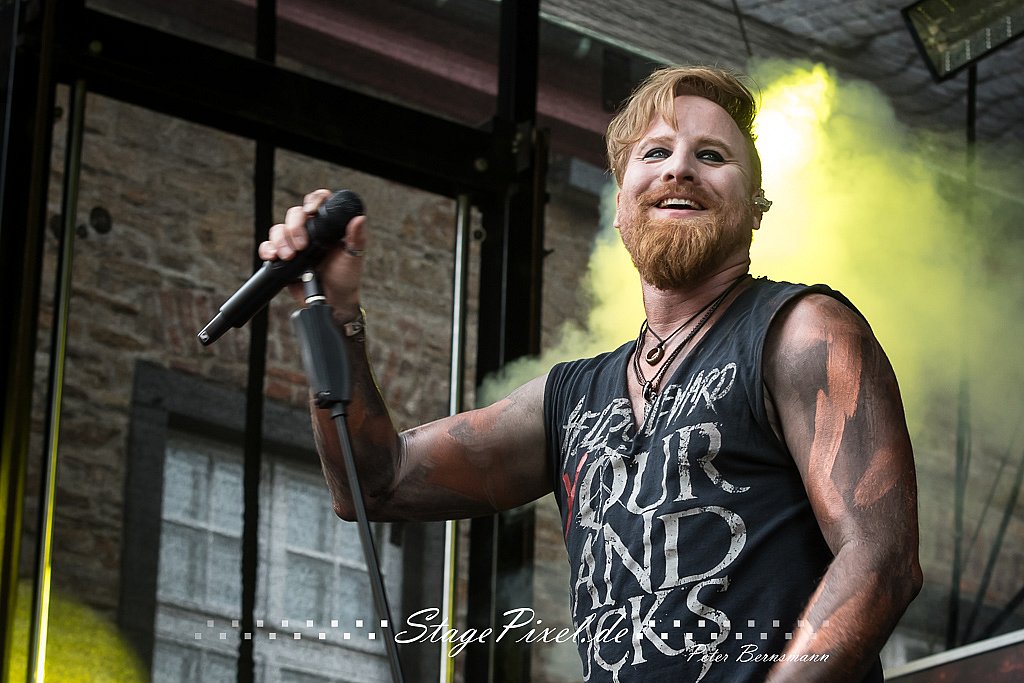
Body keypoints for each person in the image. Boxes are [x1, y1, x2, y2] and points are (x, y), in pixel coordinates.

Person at [259, 65, 922, 682]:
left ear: (754, 207)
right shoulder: (572, 400)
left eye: (712, 155)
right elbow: (374, 483)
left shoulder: (802, 333)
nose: (680, 168)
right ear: (620, 202)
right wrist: (333, 314)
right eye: (654, 153)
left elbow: (881, 560)